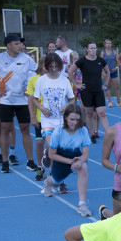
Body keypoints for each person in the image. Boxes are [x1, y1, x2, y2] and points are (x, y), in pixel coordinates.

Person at [0, 34, 37, 173]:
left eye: (21, 44)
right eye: (17, 43)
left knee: (25, 129)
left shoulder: (26, 58)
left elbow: (36, 74)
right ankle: (5, 162)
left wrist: (30, 89)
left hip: (23, 101)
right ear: (8, 45)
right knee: (5, 128)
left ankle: (30, 161)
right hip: (6, 100)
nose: (20, 46)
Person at [41, 105, 92, 217]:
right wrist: (69, 162)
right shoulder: (58, 132)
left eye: (77, 119)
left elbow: (86, 153)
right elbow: (52, 154)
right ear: (65, 118)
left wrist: (80, 160)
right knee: (55, 181)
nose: (75, 122)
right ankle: (47, 183)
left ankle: (82, 204)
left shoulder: (83, 130)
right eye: (72, 119)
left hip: (77, 159)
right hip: (61, 160)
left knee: (83, 168)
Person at [33, 52, 77, 180]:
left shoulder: (64, 81)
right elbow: (34, 99)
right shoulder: (41, 80)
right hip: (47, 120)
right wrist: (41, 108)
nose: (53, 69)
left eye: (55, 66)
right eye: (50, 67)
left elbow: (72, 99)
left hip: (61, 120)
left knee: (57, 149)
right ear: (46, 66)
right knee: (51, 143)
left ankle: (55, 174)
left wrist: (67, 106)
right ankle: (48, 155)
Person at [68, 41, 110, 143]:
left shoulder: (101, 60)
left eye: (95, 48)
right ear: (87, 49)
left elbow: (108, 72)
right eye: (91, 48)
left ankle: (109, 134)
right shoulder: (82, 61)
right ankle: (92, 135)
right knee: (89, 113)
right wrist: (76, 84)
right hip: (86, 91)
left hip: (98, 90)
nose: (93, 50)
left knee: (102, 113)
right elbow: (70, 71)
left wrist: (105, 84)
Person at [102, 39, 121, 108]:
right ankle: (110, 102)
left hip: (113, 72)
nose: (109, 45)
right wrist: (103, 71)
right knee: (108, 87)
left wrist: (116, 67)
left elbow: (118, 61)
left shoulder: (114, 52)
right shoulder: (103, 53)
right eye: (107, 43)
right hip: (107, 73)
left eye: (110, 43)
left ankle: (119, 101)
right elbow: (101, 62)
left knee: (117, 87)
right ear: (105, 44)